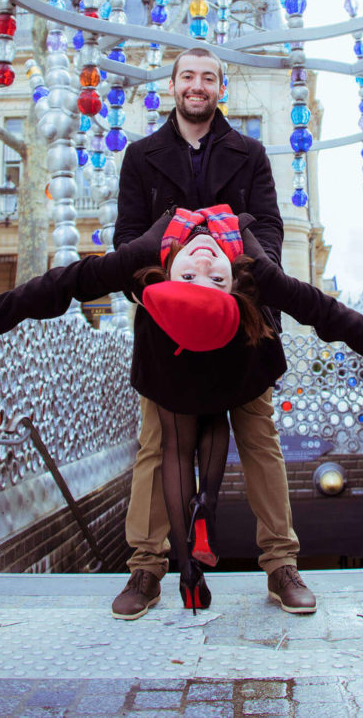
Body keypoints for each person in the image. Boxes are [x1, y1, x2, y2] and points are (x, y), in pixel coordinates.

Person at [0, 206, 363, 615]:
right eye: (208, 278)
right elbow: (61, 287)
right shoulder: (236, 263)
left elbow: (336, 319)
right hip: (173, 359)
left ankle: (271, 560)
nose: (207, 265)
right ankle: (158, 562)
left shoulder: (160, 259)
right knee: (167, 446)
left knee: (250, 442)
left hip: (240, 361)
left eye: (206, 277)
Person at [112, 45, 318, 620]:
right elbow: (128, 236)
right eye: (187, 76)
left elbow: (270, 226)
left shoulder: (249, 154)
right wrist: (155, 291)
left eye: (207, 77)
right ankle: (146, 570)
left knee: (258, 439)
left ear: (218, 88)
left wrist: (249, 280)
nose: (196, 85)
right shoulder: (141, 156)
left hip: (245, 322)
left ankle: (281, 564)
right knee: (156, 446)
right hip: (167, 328)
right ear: (173, 85)